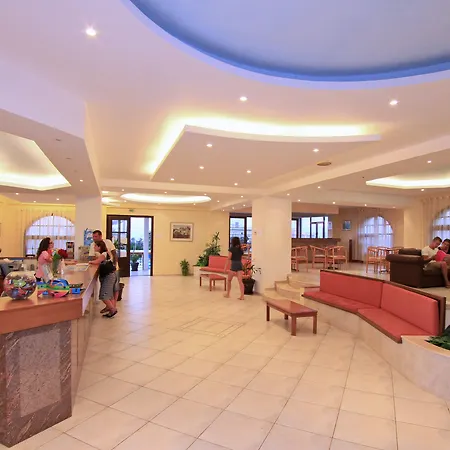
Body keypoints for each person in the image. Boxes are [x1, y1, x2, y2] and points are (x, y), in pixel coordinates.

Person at [89, 230, 121, 308]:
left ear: (100, 236)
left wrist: (114, 265)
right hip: (104, 270)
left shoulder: (108, 242)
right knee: (107, 288)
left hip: (112, 268)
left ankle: (113, 306)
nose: (94, 238)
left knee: (115, 287)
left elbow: (114, 253)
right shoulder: (92, 245)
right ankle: (110, 306)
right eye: (93, 237)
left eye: (96, 236)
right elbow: (91, 257)